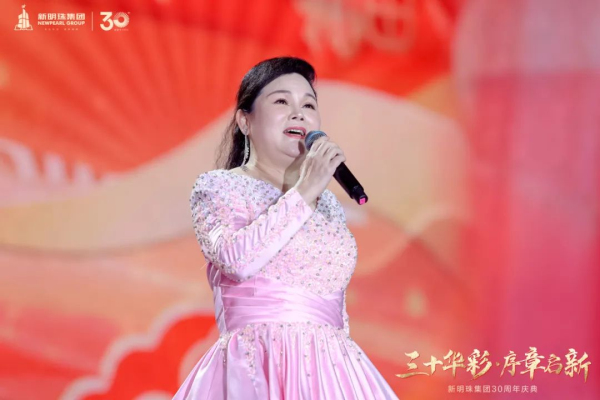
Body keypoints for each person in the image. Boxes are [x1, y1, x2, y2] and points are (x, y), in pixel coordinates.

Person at [174, 57, 398, 399]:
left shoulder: (328, 205)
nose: (299, 114)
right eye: (281, 101)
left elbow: (336, 309)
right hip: (256, 368)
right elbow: (237, 260)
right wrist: (305, 190)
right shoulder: (217, 187)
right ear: (245, 121)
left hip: (331, 373)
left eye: (308, 105)